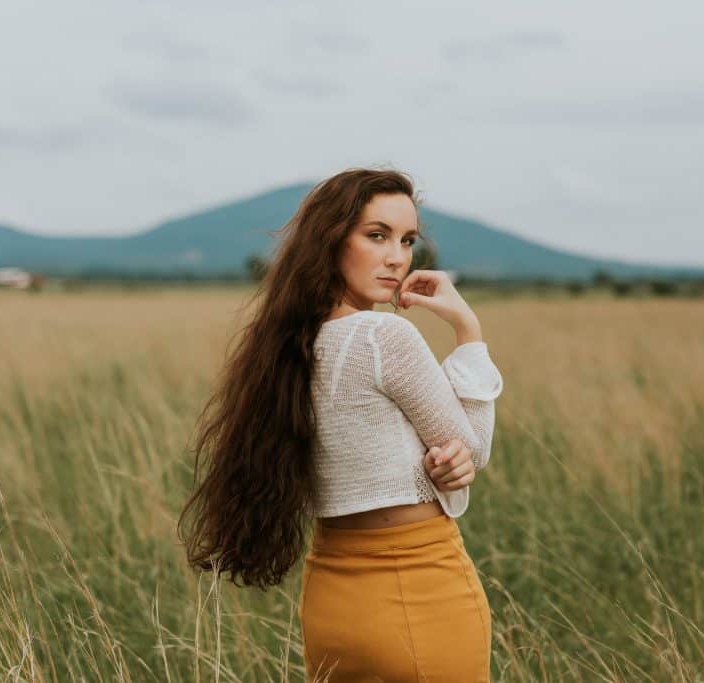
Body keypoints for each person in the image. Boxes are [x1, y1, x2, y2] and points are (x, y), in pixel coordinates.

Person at [178, 167, 504, 681]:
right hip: (420, 585)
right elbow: (473, 449)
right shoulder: (382, 335)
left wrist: (446, 458)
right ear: (331, 240)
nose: (397, 257)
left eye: (407, 240)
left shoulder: (286, 347)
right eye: (377, 236)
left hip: (331, 595)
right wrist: (468, 330)